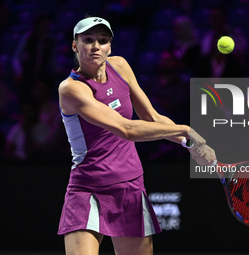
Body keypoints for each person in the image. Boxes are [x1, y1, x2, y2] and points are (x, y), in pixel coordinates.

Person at [57, 16, 216, 255]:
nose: (95, 46)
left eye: (102, 40)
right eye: (88, 40)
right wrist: (185, 131)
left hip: (129, 186)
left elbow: (151, 117)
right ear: (75, 45)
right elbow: (127, 129)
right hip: (87, 188)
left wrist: (191, 144)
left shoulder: (120, 66)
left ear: (110, 46)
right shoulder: (71, 89)